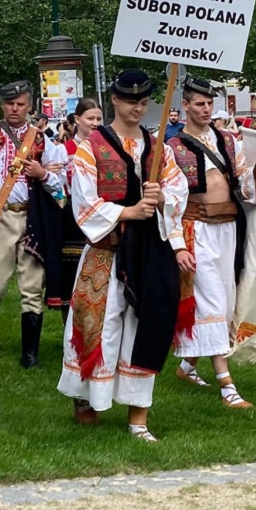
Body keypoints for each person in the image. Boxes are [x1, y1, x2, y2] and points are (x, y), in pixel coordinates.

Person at [58, 70, 190, 443]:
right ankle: (88, 396)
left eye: (143, 102)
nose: (137, 108)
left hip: (147, 253)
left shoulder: (158, 147)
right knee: (97, 325)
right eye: (131, 101)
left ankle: (138, 417)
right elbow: (83, 200)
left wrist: (162, 198)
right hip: (107, 251)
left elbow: (178, 188)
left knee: (144, 327)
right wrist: (128, 211)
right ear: (114, 99)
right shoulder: (92, 147)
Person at [167, 77, 256, 410]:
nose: (206, 109)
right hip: (196, 229)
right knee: (211, 302)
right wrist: (178, 244)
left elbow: (242, 182)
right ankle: (227, 386)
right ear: (185, 105)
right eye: (199, 103)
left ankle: (187, 366)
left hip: (228, 230)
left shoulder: (227, 140)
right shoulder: (172, 147)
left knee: (225, 302)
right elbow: (169, 201)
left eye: (210, 103)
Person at [0, 80, 67, 369]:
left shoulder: (43, 139)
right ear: (2, 105)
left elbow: (59, 186)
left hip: (33, 218)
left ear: (30, 106)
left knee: (32, 288)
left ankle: (30, 354)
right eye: (10, 103)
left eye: (20, 104)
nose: (14, 108)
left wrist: (42, 173)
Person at [55, 98, 103, 320]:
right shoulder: (64, 150)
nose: (95, 123)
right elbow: (56, 184)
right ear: (77, 119)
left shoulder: (104, 149)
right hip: (71, 215)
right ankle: (69, 320)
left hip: (100, 213)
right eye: (90, 118)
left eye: (99, 118)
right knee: (71, 267)